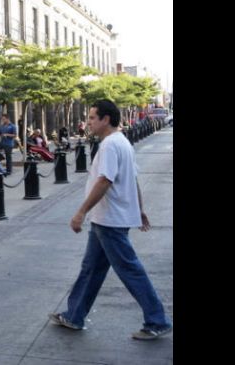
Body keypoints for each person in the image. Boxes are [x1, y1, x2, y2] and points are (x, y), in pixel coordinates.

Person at [48, 100, 172, 340]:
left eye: (93, 117)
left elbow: (105, 180)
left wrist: (81, 211)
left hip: (110, 220)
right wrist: (140, 209)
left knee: (129, 269)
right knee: (91, 268)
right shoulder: (121, 142)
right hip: (107, 219)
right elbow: (132, 179)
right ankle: (74, 315)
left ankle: (157, 320)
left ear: (106, 119)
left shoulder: (110, 146)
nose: (89, 122)